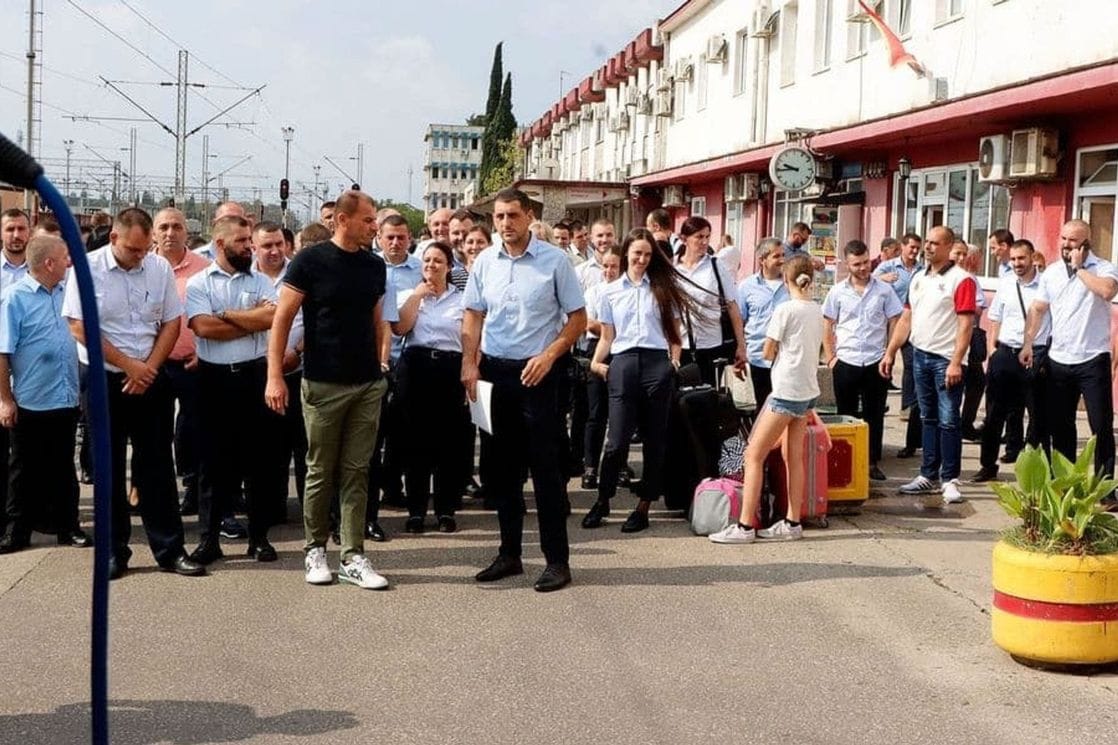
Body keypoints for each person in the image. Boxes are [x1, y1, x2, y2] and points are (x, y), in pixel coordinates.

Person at [62, 207, 205, 580]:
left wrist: (150, 369)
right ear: (113, 239)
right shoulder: (86, 269)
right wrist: (129, 366)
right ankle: (113, 552)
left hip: (149, 373)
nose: (141, 256)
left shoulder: (157, 268)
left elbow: (172, 321)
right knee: (107, 464)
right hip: (104, 375)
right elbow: (79, 327)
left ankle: (170, 549)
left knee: (156, 463)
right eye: (133, 250)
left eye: (146, 249)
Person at [461, 188, 586, 593]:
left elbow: (577, 318)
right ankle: (510, 554)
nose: (505, 224)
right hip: (496, 373)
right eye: (498, 217)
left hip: (540, 375)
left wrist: (549, 356)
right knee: (502, 471)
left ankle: (556, 561)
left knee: (546, 471)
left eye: (512, 216)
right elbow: (473, 313)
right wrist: (469, 361)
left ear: (529, 216)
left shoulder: (554, 261)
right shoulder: (484, 262)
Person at [266, 190, 391, 590]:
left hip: (367, 383)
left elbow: (377, 320)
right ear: (342, 219)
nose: (375, 226)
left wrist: (381, 366)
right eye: (368, 220)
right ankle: (314, 549)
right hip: (322, 382)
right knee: (320, 469)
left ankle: (353, 555)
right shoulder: (309, 261)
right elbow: (282, 319)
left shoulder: (374, 266)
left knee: (357, 470)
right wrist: (273, 375)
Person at [186, 216, 284, 565]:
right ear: (220, 244)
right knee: (212, 464)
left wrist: (225, 314)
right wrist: (248, 318)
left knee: (258, 462)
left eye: (249, 240)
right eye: (242, 240)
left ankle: (258, 538)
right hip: (212, 380)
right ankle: (208, 539)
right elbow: (202, 327)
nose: (249, 246)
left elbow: (270, 319)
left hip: (253, 377)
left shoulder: (261, 280)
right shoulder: (199, 283)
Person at [581, 228, 693, 533]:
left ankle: (643, 506)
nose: (642, 259)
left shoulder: (662, 288)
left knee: (655, 441)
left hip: (656, 364)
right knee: (616, 441)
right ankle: (603, 500)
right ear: (626, 254)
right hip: (624, 362)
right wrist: (595, 362)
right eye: (637, 253)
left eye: (647, 254)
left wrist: (673, 362)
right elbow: (607, 336)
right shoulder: (609, 292)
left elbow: (674, 334)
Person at [710, 254, 823, 544]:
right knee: (792, 456)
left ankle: (745, 525)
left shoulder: (785, 310)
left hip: (785, 390)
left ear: (787, 280)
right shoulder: (816, 310)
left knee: (753, 454)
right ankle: (792, 521)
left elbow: (768, 351)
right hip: (807, 390)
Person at [0, 236, 87, 553]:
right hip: (30, 400)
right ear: (49, 263)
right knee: (22, 469)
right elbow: (2, 352)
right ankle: (16, 531)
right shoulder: (14, 299)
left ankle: (69, 527)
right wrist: (5, 399)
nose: (69, 263)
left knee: (64, 467)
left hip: (65, 396)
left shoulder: (68, 295)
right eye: (65, 257)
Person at [881, 226, 976, 507]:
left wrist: (957, 362)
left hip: (946, 360)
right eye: (927, 242)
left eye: (935, 243)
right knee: (928, 418)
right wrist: (890, 352)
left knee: (949, 420)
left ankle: (950, 479)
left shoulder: (961, 280)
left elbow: (966, 324)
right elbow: (906, 319)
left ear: (949, 247)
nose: (928, 247)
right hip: (920, 356)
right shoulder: (919, 277)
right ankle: (927, 474)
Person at [1022, 219, 1118, 484]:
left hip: (1092, 358)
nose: (1065, 245)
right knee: (1061, 427)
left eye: (1072, 240)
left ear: (1086, 242)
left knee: (1101, 427)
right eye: (1063, 239)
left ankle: (1105, 488)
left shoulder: (1103, 268)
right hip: (1059, 360)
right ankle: (1066, 483)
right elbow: (1038, 309)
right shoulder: (1051, 273)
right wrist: (1028, 342)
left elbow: (1108, 291)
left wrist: (1079, 269)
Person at [391, 241, 468, 533]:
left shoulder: (462, 299)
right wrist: (416, 297)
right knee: (416, 444)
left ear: (449, 267)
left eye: (438, 261)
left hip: (449, 368)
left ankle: (446, 510)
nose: (431, 266)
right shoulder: (410, 295)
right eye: (426, 261)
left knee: (448, 444)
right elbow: (400, 329)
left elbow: (470, 337)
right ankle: (416, 512)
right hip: (416, 367)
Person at [822, 240, 903, 482]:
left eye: (866, 262)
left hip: (875, 361)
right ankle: (843, 462)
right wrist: (831, 357)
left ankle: (871, 462)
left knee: (874, 414)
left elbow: (895, 321)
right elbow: (827, 323)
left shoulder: (884, 290)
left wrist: (890, 353)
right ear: (847, 264)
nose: (863, 268)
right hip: (845, 360)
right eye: (857, 264)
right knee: (845, 414)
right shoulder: (837, 291)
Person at [973, 239, 1050, 482]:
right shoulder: (1005, 285)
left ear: (1032, 257)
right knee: (994, 414)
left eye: (1022, 259)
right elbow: (995, 318)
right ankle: (988, 465)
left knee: (1038, 415)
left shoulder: (1047, 286)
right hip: (1005, 354)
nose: (1017, 263)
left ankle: (1038, 471)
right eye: (1014, 259)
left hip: (1036, 355)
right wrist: (993, 350)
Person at [368, 214, 422, 538]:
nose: (395, 243)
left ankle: (393, 485)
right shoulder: (370, 267)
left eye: (401, 237)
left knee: (403, 431)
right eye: (389, 237)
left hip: (409, 359)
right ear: (379, 237)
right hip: (375, 363)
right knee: (374, 437)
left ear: (409, 238)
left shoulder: (420, 269)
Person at [153, 207, 209, 518]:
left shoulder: (203, 268)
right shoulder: (144, 267)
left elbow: (214, 315)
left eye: (176, 226)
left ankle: (193, 488)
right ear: (153, 233)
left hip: (193, 363)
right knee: (156, 432)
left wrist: (204, 350)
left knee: (193, 429)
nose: (170, 233)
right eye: (163, 227)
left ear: (186, 231)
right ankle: (155, 495)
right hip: (154, 365)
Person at [252, 221, 307, 506]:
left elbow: (316, 320)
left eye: (279, 244)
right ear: (254, 248)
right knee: (267, 446)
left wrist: (296, 351)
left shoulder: (300, 271)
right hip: (259, 373)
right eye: (267, 246)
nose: (275, 251)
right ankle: (271, 506)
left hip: (298, 369)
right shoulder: (246, 276)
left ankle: (310, 510)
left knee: (304, 445)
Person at [675, 216, 747, 383]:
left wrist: (741, 345)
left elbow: (732, 306)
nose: (704, 242)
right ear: (684, 239)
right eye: (699, 237)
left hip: (712, 345)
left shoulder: (716, 265)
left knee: (707, 397)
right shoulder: (674, 268)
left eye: (707, 237)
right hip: (681, 346)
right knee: (681, 400)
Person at [875, 231, 923, 458]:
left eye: (917, 248)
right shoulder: (888, 267)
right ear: (902, 247)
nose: (914, 252)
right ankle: (883, 397)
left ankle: (908, 404)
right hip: (889, 323)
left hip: (913, 323)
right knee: (887, 360)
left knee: (912, 366)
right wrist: (882, 280)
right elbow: (868, 281)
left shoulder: (923, 270)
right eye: (911, 247)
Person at [579, 244, 623, 489]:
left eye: (614, 266)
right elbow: (590, 324)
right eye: (605, 266)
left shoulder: (627, 291)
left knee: (621, 415)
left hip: (621, 352)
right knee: (596, 413)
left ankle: (619, 465)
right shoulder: (594, 292)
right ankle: (590, 466)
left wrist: (607, 328)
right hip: (597, 350)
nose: (608, 271)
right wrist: (611, 328)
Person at [0, 208, 31, 520]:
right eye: (10, 229)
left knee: (25, 453)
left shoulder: (39, 270)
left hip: (31, 373)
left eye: (21, 229)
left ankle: (26, 513)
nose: (16, 235)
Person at [737, 237, 788, 407]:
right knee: (763, 407)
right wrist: (739, 353)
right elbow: (740, 321)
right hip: (758, 357)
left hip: (786, 357)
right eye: (776, 256)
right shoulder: (746, 287)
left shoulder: (791, 285)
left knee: (785, 408)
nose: (782, 260)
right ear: (762, 260)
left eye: (783, 255)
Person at [951, 242, 989, 443]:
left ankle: (965, 424)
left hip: (972, 337)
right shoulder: (957, 279)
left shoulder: (970, 279)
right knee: (965, 383)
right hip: (957, 338)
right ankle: (958, 425)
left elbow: (979, 307)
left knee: (976, 383)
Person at [575, 219, 616, 292]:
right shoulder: (580, 272)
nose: (604, 240)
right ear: (591, 239)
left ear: (615, 237)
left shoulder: (626, 270)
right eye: (600, 235)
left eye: (609, 235)